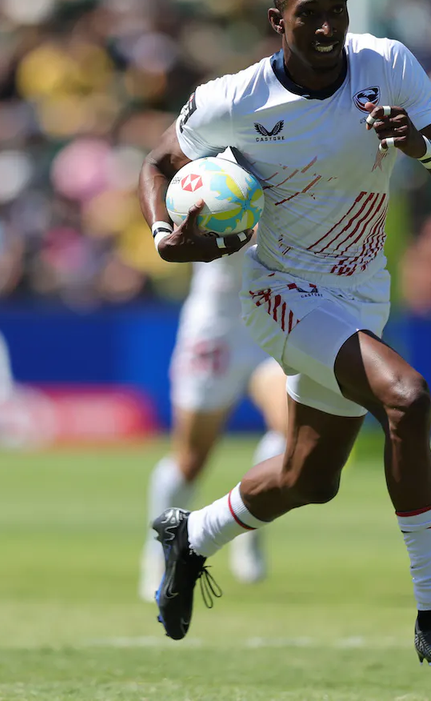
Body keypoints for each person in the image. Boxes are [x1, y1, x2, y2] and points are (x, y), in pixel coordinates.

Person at [137, 0, 431, 679]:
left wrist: (419, 145)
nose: (328, 25)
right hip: (281, 293)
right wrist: (164, 237)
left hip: (361, 294)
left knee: (310, 475)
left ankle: (192, 533)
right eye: (310, 14)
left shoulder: (388, 65)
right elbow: (156, 164)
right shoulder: (236, 99)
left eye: (337, 9)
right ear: (279, 22)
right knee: (408, 397)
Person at [139, 248, 290, 601]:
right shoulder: (205, 191)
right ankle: (159, 551)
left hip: (272, 317)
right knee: (190, 461)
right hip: (217, 329)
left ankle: (250, 518)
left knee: (291, 433)